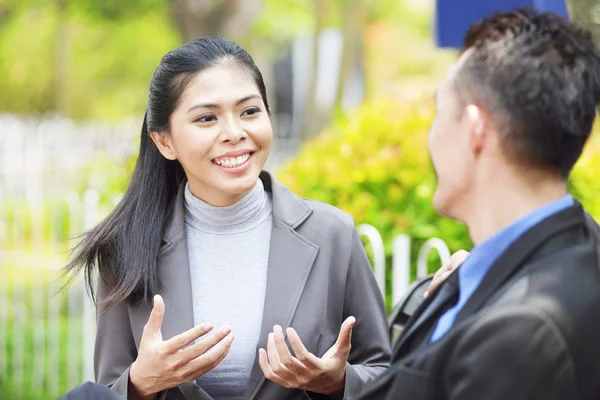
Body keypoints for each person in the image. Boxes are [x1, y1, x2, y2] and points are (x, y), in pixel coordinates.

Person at [65, 37, 391, 400]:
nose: (235, 133)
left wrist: (338, 382)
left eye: (250, 111)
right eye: (207, 118)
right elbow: (106, 391)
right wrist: (142, 382)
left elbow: (386, 376)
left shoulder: (333, 234)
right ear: (164, 141)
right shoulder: (126, 246)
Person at [353, 8, 600, 400]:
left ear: (474, 129)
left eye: (439, 113)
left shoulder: (522, 331)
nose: (430, 136)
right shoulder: (570, 250)